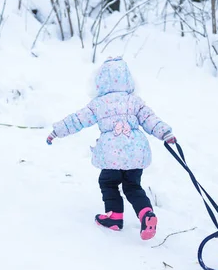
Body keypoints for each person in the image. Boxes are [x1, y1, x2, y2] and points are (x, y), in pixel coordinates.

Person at [46, 57, 176, 240]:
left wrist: (56, 131)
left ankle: (114, 216)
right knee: (133, 186)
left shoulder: (99, 103)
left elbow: (77, 120)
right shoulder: (135, 101)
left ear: (100, 82)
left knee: (108, 183)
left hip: (111, 156)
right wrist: (166, 133)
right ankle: (146, 213)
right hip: (135, 154)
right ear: (128, 80)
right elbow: (150, 120)